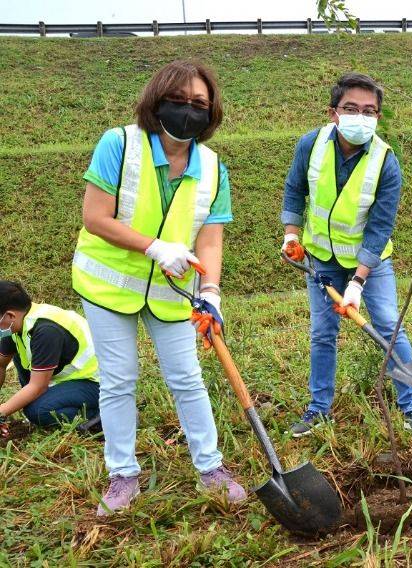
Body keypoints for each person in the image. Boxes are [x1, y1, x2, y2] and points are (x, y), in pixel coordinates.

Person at [72, 60, 246, 516]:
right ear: (157, 101)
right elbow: (95, 217)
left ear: (211, 113)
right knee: (119, 379)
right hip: (108, 285)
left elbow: (210, 236)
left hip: (172, 291)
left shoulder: (211, 167)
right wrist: (153, 247)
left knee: (187, 379)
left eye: (199, 104)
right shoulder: (120, 144)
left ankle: (211, 468)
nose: (188, 110)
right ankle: (123, 476)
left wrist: (211, 290)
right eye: (178, 101)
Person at [280, 73, 412, 436]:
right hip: (320, 258)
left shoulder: (385, 162)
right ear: (333, 112)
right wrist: (290, 235)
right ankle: (318, 409)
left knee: (389, 328)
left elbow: (380, 227)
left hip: (371, 263)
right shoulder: (310, 145)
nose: (360, 117)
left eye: (369, 111)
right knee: (322, 334)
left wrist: (359, 281)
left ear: (378, 117)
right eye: (351, 108)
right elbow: (294, 189)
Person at [0, 281, 100, 431]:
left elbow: (38, 386)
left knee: (37, 411)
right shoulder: (16, 324)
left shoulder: (46, 331)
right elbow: (1, 363)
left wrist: (2, 412)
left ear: (10, 315)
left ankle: (105, 415)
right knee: (20, 358)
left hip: (96, 383)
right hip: (65, 378)